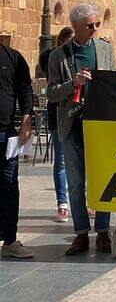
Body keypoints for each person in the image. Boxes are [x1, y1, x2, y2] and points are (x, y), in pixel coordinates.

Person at [47, 3, 115, 256]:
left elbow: (114, 83)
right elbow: (52, 94)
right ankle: (81, 234)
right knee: (76, 183)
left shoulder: (106, 49)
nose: (95, 29)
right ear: (75, 27)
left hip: (100, 124)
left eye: (97, 24)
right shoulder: (58, 56)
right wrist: (72, 83)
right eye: (90, 26)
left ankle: (104, 231)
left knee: (103, 180)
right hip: (71, 124)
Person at [0, 42, 34, 258]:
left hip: (5, 132)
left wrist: (26, 120)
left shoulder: (12, 57)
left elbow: (24, 90)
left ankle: (10, 241)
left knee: (9, 186)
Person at [39, 26, 74, 223]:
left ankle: (86, 202)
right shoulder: (52, 58)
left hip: (79, 115)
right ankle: (62, 203)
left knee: (82, 161)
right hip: (58, 115)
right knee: (61, 161)